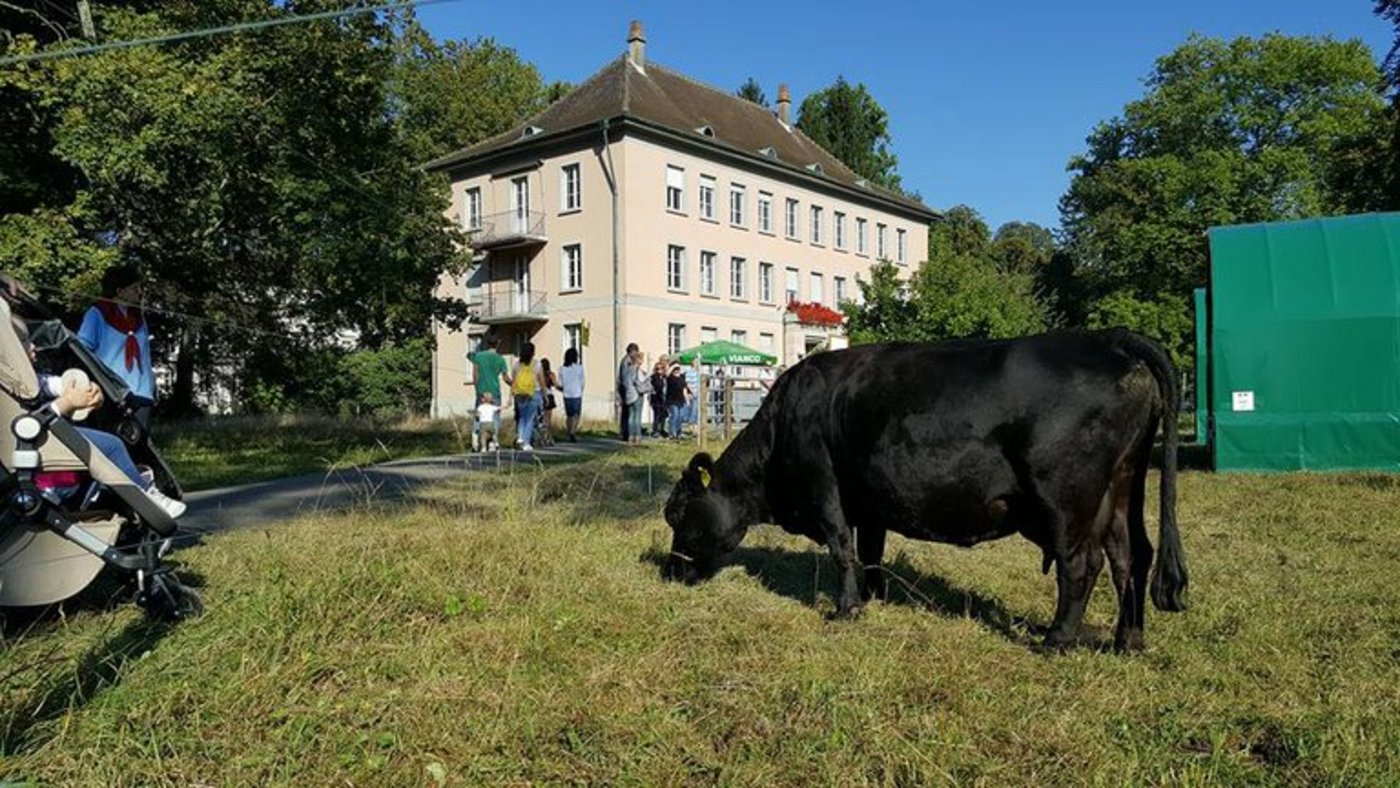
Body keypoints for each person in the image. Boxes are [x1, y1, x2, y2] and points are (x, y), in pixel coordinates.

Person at [15, 319, 184, 519]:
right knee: (111, 446)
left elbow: (54, 384)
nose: (34, 346)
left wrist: (87, 390)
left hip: (42, 444)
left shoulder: (27, 379)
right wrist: (66, 403)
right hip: (35, 447)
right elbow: (27, 421)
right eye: (25, 341)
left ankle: (130, 498)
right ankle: (145, 497)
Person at [78, 265, 155, 431]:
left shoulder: (139, 319)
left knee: (138, 447)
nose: (139, 292)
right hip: (112, 393)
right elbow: (82, 351)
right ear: (119, 291)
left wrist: (151, 387)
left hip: (141, 393)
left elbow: (146, 357)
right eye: (134, 288)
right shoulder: (97, 313)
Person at [469, 334, 509, 440]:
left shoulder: (478, 356)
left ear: (487, 343)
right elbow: (505, 378)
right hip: (494, 391)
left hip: (481, 390)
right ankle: (493, 439)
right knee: (495, 415)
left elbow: (475, 373)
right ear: (498, 343)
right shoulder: (500, 359)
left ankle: (476, 436)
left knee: (479, 414)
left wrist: (476, 387)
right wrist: (513, 384)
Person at [511, 342, 543, 451]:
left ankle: (520, 437)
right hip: (534, 392)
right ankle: (526, 442)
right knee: (530, 418)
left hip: (519, 393)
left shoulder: (516, 364)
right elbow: (541, 380)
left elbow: (514, 381)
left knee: (522, 417)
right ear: (533, 352)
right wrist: (545, 394)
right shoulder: (537, 364)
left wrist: (511, 395)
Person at [560, 347, 585, 442]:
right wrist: (580, 390)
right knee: (576, 415)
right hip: (577, 394)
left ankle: (569, 431)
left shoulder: (562, 369)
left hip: (567, 394)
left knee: (569, 415)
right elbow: (582, 382)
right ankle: (573, 432)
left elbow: (560, 382)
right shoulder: (579, 368)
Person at [617, 342, 639, 441]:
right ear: (632, 351)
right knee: (627, 412)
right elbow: (626, 377)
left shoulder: (626, 360)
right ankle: (625, 432)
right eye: (635, 352)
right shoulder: (627, 361)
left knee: (626, 412)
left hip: (624, 388)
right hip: (626, 389)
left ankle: (625, 432)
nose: (636, 354)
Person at [536, 358, 558, 447]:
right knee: (548, 420)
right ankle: (549, 438)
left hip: (540, 396)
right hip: (549, 395)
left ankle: (540, 439)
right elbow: (556, 384)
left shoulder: (538, 375)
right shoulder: (551, 374)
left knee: (540, 420)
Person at [666, 363, 689, 439]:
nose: (677, 371)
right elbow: (667, 373)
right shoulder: (670, 378)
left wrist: (687, 400)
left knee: (680, 417)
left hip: (681, 400)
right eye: (675, 370)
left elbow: (684, 390)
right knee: (674, 416)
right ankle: (672, 433)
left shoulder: (682, 378)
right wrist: (673, 365)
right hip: (672, 400)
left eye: (678, 369)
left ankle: (679, 432)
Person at [649, 359, 668, 438]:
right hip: (656, 398)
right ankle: (655, 430)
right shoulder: (654, 377)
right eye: (657, 369)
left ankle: (661, 429)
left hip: (663, 398)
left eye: (661, 369)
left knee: (663, 415)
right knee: (657, 415)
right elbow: (657, 387)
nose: (659, 370)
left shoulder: (664, 377)